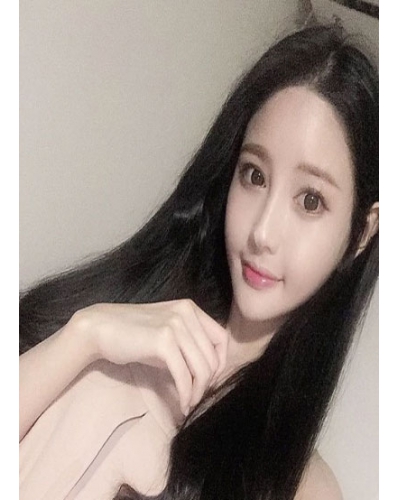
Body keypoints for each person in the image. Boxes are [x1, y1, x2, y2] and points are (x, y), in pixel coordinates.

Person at [19, 23, 379, 500]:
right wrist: (86, 335)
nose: (263, 232)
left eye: (310, 200)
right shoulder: (120, 318)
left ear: (360, 233)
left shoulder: (299, 488)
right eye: (254, 175)